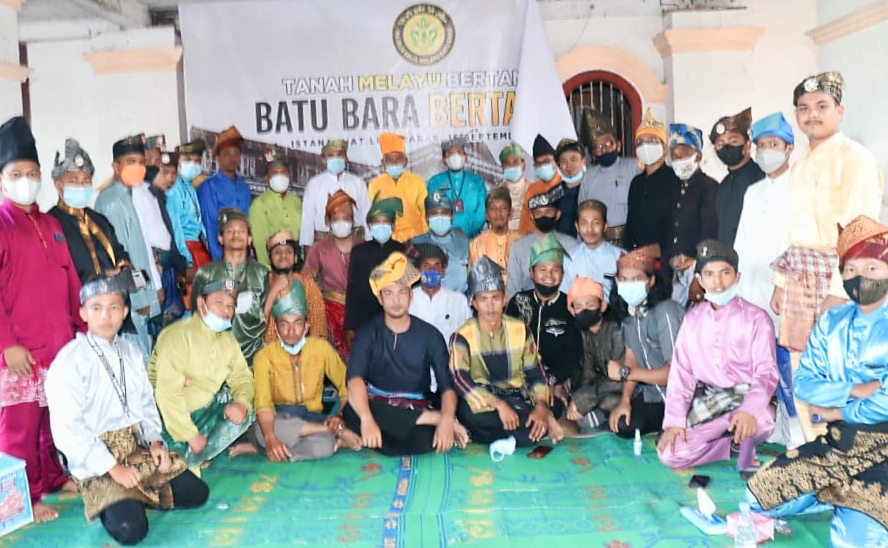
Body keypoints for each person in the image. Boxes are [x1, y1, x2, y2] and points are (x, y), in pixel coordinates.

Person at [746, 215, 888, 548]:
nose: (859, 278)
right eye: (850, 270)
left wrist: (836, 411)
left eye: (871, 268)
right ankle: (835, 492)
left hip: (883, 450)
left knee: (856, 542)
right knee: (757, 494)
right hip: (838, 446)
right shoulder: (834, 320)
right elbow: (806, 383)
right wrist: (854, 391)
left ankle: (847, 497)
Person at [45, 274, 208, 546]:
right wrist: (113, 468)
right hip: (97, 460)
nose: (106, 316)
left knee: (197, 493)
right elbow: (68, 431)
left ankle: (137, 494)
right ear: (83, 312)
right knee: (131, 530)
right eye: (97, 308)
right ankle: (119, 500)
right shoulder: (69, 360)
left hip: (136, 449)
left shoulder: (130, 350)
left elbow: (145, 403)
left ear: (125, 312)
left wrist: (155, 441)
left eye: (114, 307)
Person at [770, 71, 884, 444]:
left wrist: (840, 291)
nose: (812, 115)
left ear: (840, 110)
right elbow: (793, 229)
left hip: (837, 283)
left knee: (841, 372)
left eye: (821, 106)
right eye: (804, 108)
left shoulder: (856, 159)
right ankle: (814, 453)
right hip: (800, 282)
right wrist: (781, 283)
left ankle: (847, 456)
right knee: (806, 372)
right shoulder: (801, 162)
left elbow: (862, 233)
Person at [0, 116, 81, 522]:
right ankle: (24, 499)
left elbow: (70, 281)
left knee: (53, 422)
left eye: (32, 173)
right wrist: (6, 344)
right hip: (19, 351)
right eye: (17, 174)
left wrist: (81, 329)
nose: (26, 180)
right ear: (2, 179)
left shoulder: (51, 224)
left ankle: (50, 478)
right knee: (21, 429)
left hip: (59, 345)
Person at [657, 239, 777, 471]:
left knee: (763, 420)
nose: (718, 282)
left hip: (748, 396)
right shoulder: (692, 319)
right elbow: (682, 373)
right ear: (700, 280)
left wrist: (748, 410)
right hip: (711, 400)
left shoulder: (757, 318)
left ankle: (738, 433)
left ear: (737, 277)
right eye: (709, 274)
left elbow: (766, 371)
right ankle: (733, 445)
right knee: (670, 455)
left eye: (725, 273)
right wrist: (673, 422)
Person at [343, 252, 469, 456]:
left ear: (411, 296)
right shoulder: (367, 333)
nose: (396, 300)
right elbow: (354, 379)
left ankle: (367, 437)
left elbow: (447, 386)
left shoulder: (430, 335)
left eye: (402, 292)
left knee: (425, 439)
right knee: (352, 410)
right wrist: (366, 419)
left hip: (416, 405)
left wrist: (446, 420)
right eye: (389, 293)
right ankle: (430, 419)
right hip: (378, 406)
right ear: (380, 298)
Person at [233, 278, 362, 462]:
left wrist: (339, 416)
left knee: (323, 447)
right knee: (269, 431)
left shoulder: (321, 348)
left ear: (307, 327)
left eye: (298, 323)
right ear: (276, 328)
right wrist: (270, 436)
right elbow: (263, 403)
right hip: (278, 419)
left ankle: (264, 448)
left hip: (312, 418)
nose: (291, 331)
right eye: (284, 324)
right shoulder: (264, 356)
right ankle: (332, 434)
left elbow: (346, 384)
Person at [734, 112, 803, 449]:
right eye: (760, 146)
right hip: (753, 293)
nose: (766, 151)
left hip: (787, 292)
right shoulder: (752, 191)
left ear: (789, 148)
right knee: (762, 364)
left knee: (788, 364)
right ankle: (775, 426)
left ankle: (798, 436)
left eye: (773, 144)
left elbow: (798, 243)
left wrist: (783, 283)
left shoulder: (801, 187)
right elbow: (740, 245)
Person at [450, 256, 561, 446]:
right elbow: (460, 380)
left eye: (495, 298)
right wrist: (499, 404)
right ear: (474, 303)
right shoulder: (462, 335)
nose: (490, 306)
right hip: (484, 402)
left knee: (553, 404)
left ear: (504, 300)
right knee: (468, 413)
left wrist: (541, 406)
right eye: (483, 299)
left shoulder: (520, 329)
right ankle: (532, 430)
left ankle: (530, 424)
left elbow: (535, 371)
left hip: (515, 396)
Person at [148, 278, 255, 468]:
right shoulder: (177, 335)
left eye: (231, 305)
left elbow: (242, 378)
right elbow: (166, 394)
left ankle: (196, 455)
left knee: (247, 407)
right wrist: (190, 435)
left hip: (203, 410)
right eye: (219, 302)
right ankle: (183, 452)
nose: (226, 310)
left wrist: (242, 403)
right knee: (171, 472)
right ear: (201, 303)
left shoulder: (228, 340)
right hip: (168, 419)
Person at [94, 134, 161, 361]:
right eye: (130, 162)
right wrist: (141, 296)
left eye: (141, 162)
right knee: (137, 362)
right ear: (115, 166)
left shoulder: (130, 194)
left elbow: (140, 248)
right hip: (131, 298)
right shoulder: (113, 201)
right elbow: (123, 254)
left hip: (137, 293)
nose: (138, 167)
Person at [606, 244, 683, 438]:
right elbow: (631, 358)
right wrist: (625, 400)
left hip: (682, 400)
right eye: (623, 279)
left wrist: (624, 373)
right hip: (654, 396)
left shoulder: (666, 311)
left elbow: (675, 373)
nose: (629, 284)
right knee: (622, 425)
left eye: (637, 279)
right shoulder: (629, 315)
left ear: (651, 281)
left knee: (672, 447)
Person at [506, 233, 583, 416]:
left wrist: (551, 378)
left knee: (550, 408)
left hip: (556, 377)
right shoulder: (518, 302)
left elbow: (574, 353)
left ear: (562, 274)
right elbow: (507, 344)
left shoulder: (570, 306)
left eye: (555, 270)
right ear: (531, 273)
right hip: (520, 375)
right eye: (542, 269)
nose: (549, 275)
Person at [191, 209, 269, 365]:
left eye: (241, 231)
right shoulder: (206, 274)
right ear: (220, 238)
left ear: (249, 239)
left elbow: (264, 313)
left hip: (253, 358)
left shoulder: (261, 273)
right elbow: (197, 316)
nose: (236, 235)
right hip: (215, 360)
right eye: (230, 231)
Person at [48, 139, 132, 283]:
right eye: (74, 180)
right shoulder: (50, 224)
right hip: (79, 301)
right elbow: (56, 271)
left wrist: (124, 268)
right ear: (58, 184)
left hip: (113, 297)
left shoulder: (99, 220)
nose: (81, 186)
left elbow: (118, 250)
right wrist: (99, 278)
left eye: (86, 180)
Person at [303, 190, 362, 359]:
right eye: (336, 219)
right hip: (330, 312)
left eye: (346, 218)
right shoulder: (319, 248)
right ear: (328, 221)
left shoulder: (364, 246)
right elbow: (307, 276)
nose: (341, 223)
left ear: (353, 221)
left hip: (360, 312)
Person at [666, 123, 719, 305]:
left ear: (699, 155)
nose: (679, 159)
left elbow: (708, 234)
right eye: (675, 156)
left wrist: (699, 276)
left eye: (685, 154)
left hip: (696, 272)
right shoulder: (673, 187)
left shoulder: (709, 187)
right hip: (675, 272)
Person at [343, 195, 406, 345]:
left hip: (394, 317)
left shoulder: (402, 250)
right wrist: (350, 325)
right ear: (369, 225)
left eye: (386, 222)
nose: (381, 226)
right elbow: (352, 289)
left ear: (393, 226)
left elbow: (408, 289)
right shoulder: (359, 251)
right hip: (364, 319)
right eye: (377, 222)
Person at [564, 277, 626, 430]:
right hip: (603, 389)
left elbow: (622, 379)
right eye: (578, 306)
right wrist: (578, 400)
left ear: (602, 306)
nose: (584, 310)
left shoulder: (616, 332)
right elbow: (588, 372)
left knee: (607, 402)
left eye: (590, 304)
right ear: (573, 311)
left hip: (627, 390)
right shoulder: (586, 334)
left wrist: (586, 398)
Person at [137, 150, 188, 327]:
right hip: (155, 270)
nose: (169, 178)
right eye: (163, 171)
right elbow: (142, 243)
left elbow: (169, 238)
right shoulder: (139, 194)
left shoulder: (158, 195)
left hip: (167, 268)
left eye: (173, 173)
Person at [578, 109, 639, 247]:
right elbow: (581, 212)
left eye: (607, 143)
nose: (603, 150)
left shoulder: (633, 167)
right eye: (597, 147)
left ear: (618, 145)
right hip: (597, 243)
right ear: (593, 153)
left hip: (629, 242)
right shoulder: (589, 177)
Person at [299, 139, 370, 253]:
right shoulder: (314, 184)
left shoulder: (358, 183)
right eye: (331, 156)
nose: (335, 159)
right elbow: (308, 219)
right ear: (323, 160)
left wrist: (369, 244)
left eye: (339, 155)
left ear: (346, 158)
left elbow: (367, 214)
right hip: (323, 240)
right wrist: (308, 249)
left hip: (354, 240)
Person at [505, 185, 575, 299]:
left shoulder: (571, 244)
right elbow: (512, 288)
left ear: (557, 214)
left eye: (548, 212)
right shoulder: (519, 247)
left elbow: (575, 284)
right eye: (538, 213)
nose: (543, 216)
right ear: (532, 217)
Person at [625, 108, 677, 253]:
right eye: (640, 142)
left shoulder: (674, 179)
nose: (645, 146)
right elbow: (631, 222)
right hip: (638, 257)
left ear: (665, 148)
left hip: (666, 256)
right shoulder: (636, 182)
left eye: (652, 141)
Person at [262, 229, 327, 343]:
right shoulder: (262, 284)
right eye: (277, 252)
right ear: (269, 259)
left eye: (288, 251)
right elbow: (256, 326)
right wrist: (274, 290)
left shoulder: (308, 284)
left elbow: (318, 324)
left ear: (296, 257)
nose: (283, 255)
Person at [711, 108, 765, 246]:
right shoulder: (722, 186)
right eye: (720, 143)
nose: (726, 147)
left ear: (747, 145)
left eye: (733, 141)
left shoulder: (762, 179)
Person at [168, 139, 211, 309]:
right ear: (178, 162)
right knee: (191, 305)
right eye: (187, 160)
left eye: (197, 160)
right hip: (186, 250)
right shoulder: (174, 187)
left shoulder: (190, 186)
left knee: (206, 305)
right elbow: (175, 226)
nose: (193, 164)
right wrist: (186, 262)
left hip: (198, 249)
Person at [197, 126, 252, 260]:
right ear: (218, 158)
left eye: (236, 153)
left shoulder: (244, 187)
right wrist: (220, 260)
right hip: (220, 257)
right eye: (226, 154)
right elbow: (209, 226)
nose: (232, 158)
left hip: (243, 256)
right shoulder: (208, 187)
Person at [408, 243, 472, 352]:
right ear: (419, 271)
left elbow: (469, 334)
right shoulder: (408, 299)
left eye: (437, 265)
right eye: (426, 265)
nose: (431, 270)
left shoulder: (458, 301)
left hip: (449, 361)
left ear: (443, 272)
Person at [367, 132, 428, 242]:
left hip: (417, 237)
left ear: (405, 161)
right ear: (383, 162)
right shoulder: (375, 185)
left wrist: (423, 237)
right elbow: (375, 216)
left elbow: (425, 212)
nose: (394, 163)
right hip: (388, 239)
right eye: (389, 159)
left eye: (398, 158)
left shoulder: (418, 182)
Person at [560, 199, 623, 299]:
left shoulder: (620, 257)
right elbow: (564, 293)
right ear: (577, 227)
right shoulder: (569, 257)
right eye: (584, 223)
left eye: (596, 223)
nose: (590, 229)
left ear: (605, 226)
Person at [249, 149, 302, 267]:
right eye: (274, 173)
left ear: (289, 175)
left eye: (283, 172)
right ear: (267, 178)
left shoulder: (296, 201)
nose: (280, 176)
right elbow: (259, 243)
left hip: (296, 261)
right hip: (275, 263)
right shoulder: (259, 204)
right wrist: (268, 272)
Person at [410, 190, 470, 294]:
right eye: (434, 214)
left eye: (444, 213)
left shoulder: (463, 240)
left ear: (452, 216)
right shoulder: (416, 243)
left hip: (459, 302)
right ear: (426, 218)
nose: (439, 218)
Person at [426, 137, 487, 238]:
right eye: (450, 154)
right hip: (445, 238)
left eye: (459, 152)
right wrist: (450, 232)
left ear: (465, 157)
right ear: (444, 160)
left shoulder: (477, 181)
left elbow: (482, 211)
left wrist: (468, 230)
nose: (455, 156)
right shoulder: (435, 182)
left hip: (473, 238)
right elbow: (435, 212)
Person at [468, 186, 520, 285]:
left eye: (503, 208)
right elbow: (474, 283)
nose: (498, 213)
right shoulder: (476, 244)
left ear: (511, 213)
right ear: (486, 215)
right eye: (493, 209)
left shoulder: (521, 242)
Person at [519, 135, 562, 235]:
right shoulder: (532, 190)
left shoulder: (566, 187)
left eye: (546, 161)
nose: (542, 165)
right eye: (538, 163)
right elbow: (524, 224)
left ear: (556, 161)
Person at [494, 142, 528, 232]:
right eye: (507, 163)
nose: (511, 166)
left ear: (523, 165)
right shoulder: (496, 192)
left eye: (515, 162)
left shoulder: (534, 188)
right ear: (502, 167)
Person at [554, 138, 584, 237]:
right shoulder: (553, 192)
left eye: (573, 159)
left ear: (583, 161)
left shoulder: (591, 187)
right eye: (563, 161)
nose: (568, 165)